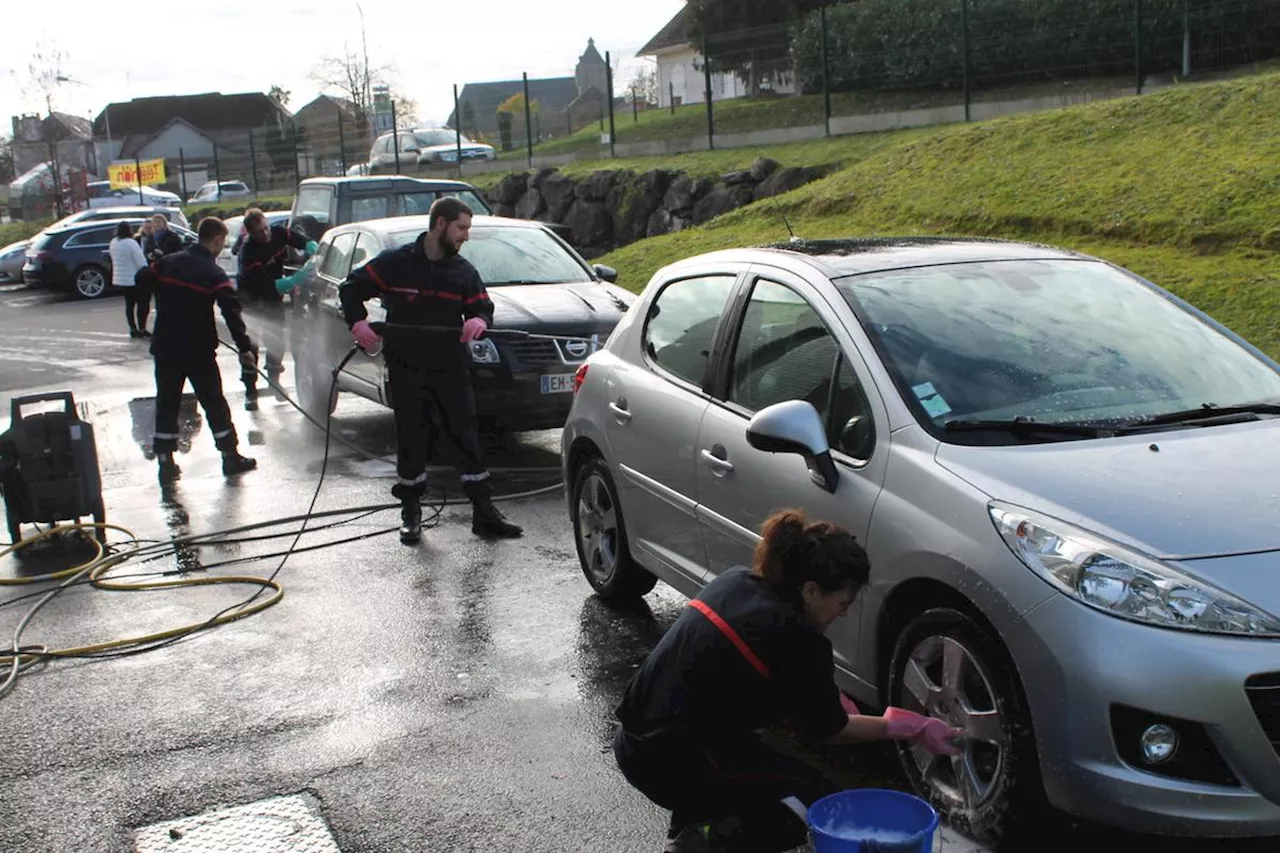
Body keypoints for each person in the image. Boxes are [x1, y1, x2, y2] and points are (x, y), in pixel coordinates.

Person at [613, 509, 965, 853]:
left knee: (744, 763)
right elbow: (829, 729)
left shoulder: (736, 582)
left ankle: (698, 823)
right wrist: (909, 727)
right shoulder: (800, 640)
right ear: (810, 591)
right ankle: (701, 841)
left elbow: (745, 671)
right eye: (842, 603)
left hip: (637, 739)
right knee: (804, 805)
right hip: (665, 762)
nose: (842, 613)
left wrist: (824, 693)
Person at [339, 197, 522, 545]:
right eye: (461, 228)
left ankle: (483, 513)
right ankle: (411, 511)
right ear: (440, 224)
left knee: (465, 435)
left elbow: (482, 306)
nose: (466, 236)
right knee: (412, 437)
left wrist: (479, 321)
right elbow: (350, 288)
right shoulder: (396, 263)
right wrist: (358, 323)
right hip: (407, 366)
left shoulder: (463, 271)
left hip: (450, 365)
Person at [141, 217, 258, 485]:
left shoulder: (169, 262)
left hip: (166, 347)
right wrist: (243, 347)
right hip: (198, 351)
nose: (222, 247)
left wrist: (159, 299)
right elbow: (231, 311)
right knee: (213, 401)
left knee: (167, 402)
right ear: (217, 240)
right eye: (223, 243)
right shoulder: (212, 273)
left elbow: (143, 278)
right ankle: (230, 457)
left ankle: (166, 464)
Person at [233, 208, 317, 410]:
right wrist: (294, 280)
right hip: (252, 300)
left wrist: (312, 246)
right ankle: (250, 391)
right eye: (260, 232)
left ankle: (274, 380)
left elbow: (300, 240)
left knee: (276, 340)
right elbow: (266, 284)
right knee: (250, 346)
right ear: (250, 233)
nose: (266, 234)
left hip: (273, 300)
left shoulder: (279, 233)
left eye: (266, 228)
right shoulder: (248, 254)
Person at [109, 221, 150, 338]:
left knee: (129, 305)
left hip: (121, 278)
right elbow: (140, 261)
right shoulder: (131, 243)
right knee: (142, 304)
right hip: (134, 278)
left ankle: (132, 328)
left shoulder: (114, 242)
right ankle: (142, 328)